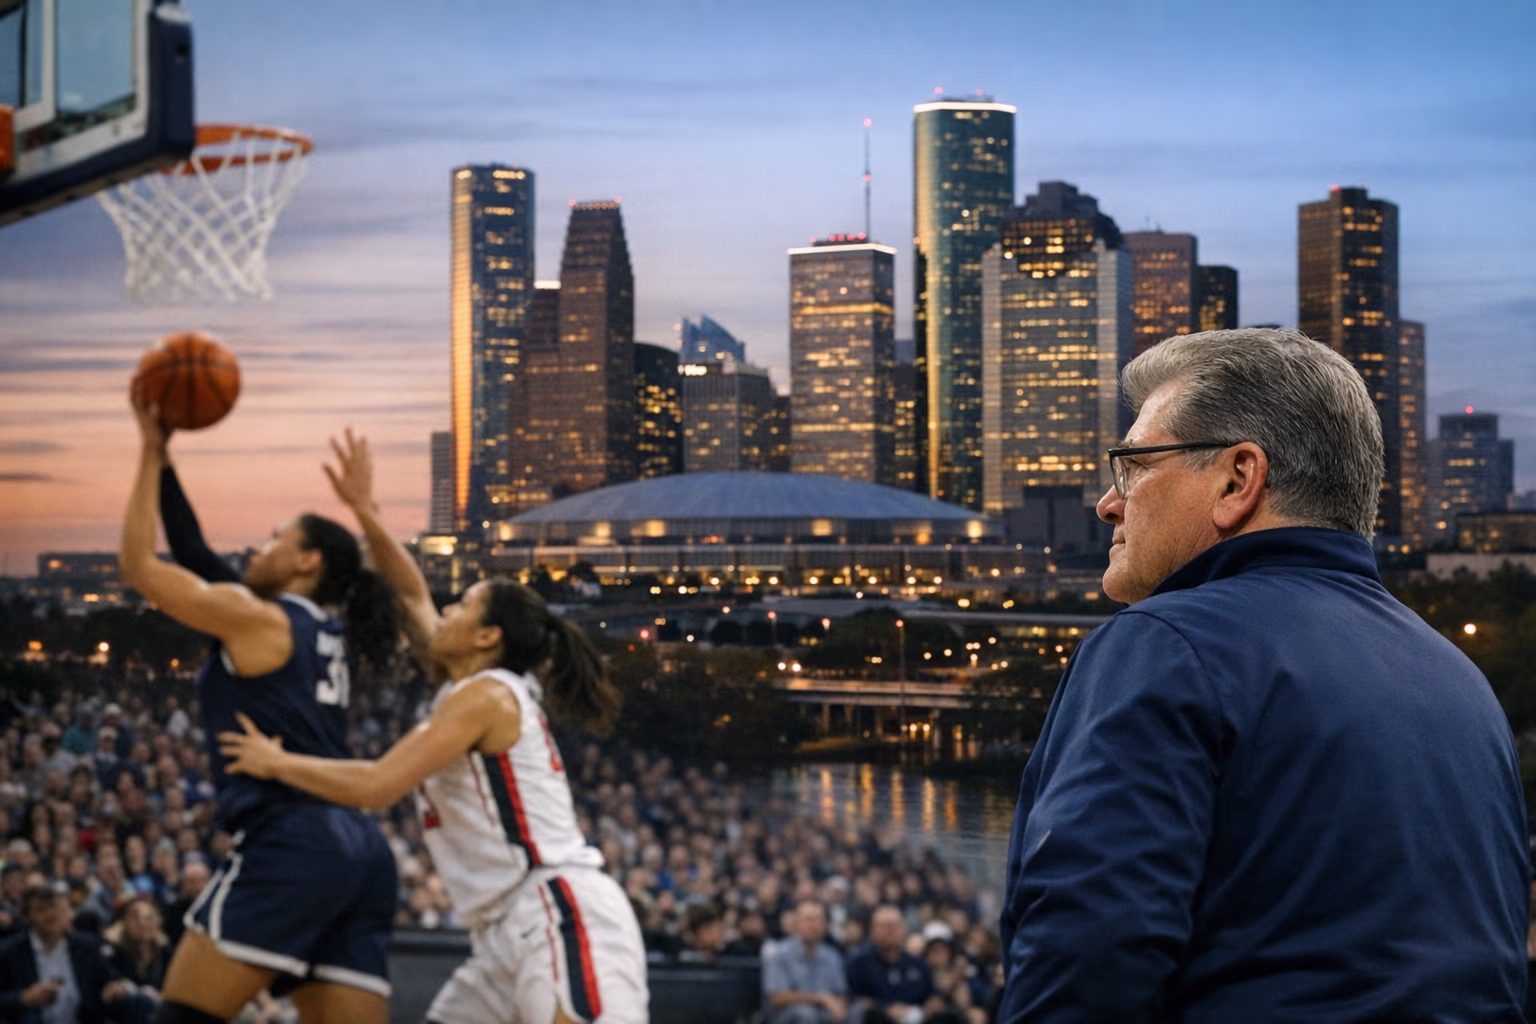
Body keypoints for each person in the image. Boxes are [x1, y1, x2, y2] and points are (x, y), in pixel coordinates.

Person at [997, 328, 1531, 1020]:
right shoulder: (1461, 681)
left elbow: (1087, 957)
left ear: (1237, 479)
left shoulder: (1167, 643)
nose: (1107, 502)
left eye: (1131, 467)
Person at [217, 430, 648, 1024]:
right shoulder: (468, 684)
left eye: (462, 606)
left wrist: (276, 761)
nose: (444, 611)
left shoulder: (487, 698)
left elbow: (376, 786)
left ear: (486, 636)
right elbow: (409, 590)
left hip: (556, 910)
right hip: (501, 932)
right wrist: (367, 513)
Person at [119, 399, 400, 1024]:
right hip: (361, 848)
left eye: (278, 537)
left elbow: (140, 566)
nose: (260, 545)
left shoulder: (257, 619)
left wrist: (143, 450)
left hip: (292, 839)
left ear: (307, 562)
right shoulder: (328, 629)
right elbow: (193, 550)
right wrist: (165, 459)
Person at [0, 881, 152, 1024]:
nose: (50, 915)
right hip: (33, 1020)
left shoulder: (86, 946)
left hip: (82, 1019)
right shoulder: (9, 952)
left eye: (54, 907)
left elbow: (109, 979)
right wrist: (23, 998)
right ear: (27, 917)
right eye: (41, 909)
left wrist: (118, 986)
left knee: (139, 1003)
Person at [844, 905, 944, 1024]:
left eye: (896, 926)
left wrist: (929, 1007)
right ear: (873, 930)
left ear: (903, 929)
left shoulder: (917, 963)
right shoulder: (859, 963)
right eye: (886, 926)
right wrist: (886, 1009)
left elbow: (932, 995)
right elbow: (854, 1000)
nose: (891, 931)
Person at [760, 901, 846, 1024]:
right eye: (810, 920)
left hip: (824, 1013)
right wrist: (821, 998)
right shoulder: (779, 954)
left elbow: (841, 992)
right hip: (787, 1016)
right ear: (797, 924)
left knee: (855, 1012)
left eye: (820, 920)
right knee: (805, 1014)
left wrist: (839, 1006)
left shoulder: (832, 956)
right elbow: (777, 997)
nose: (815, 925)